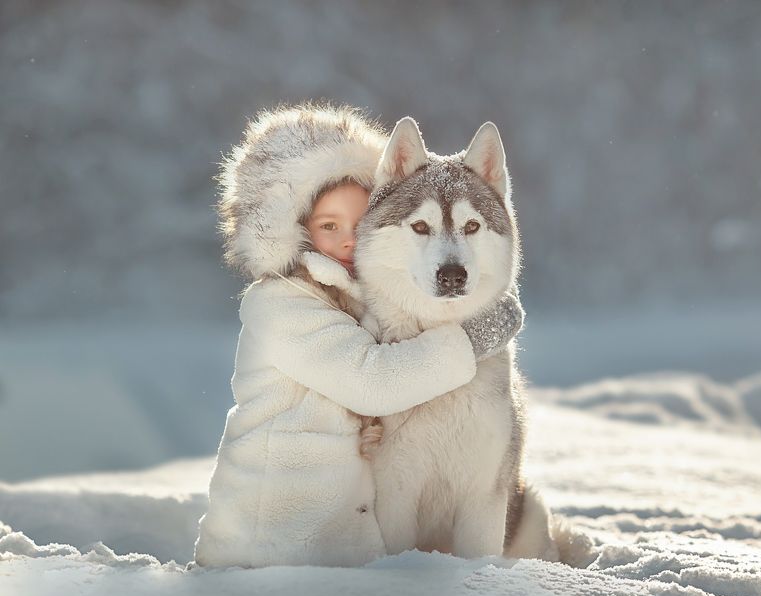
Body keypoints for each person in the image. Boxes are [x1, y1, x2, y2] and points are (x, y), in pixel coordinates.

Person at [194, 105, 523, 568]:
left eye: (359, 221)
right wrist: (473, 337)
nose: (352, 238)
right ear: (295, 229)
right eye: (330, 226)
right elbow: (373, 383)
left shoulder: (358, 301)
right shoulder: (281, 305)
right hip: (267, 548)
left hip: (337, 543)